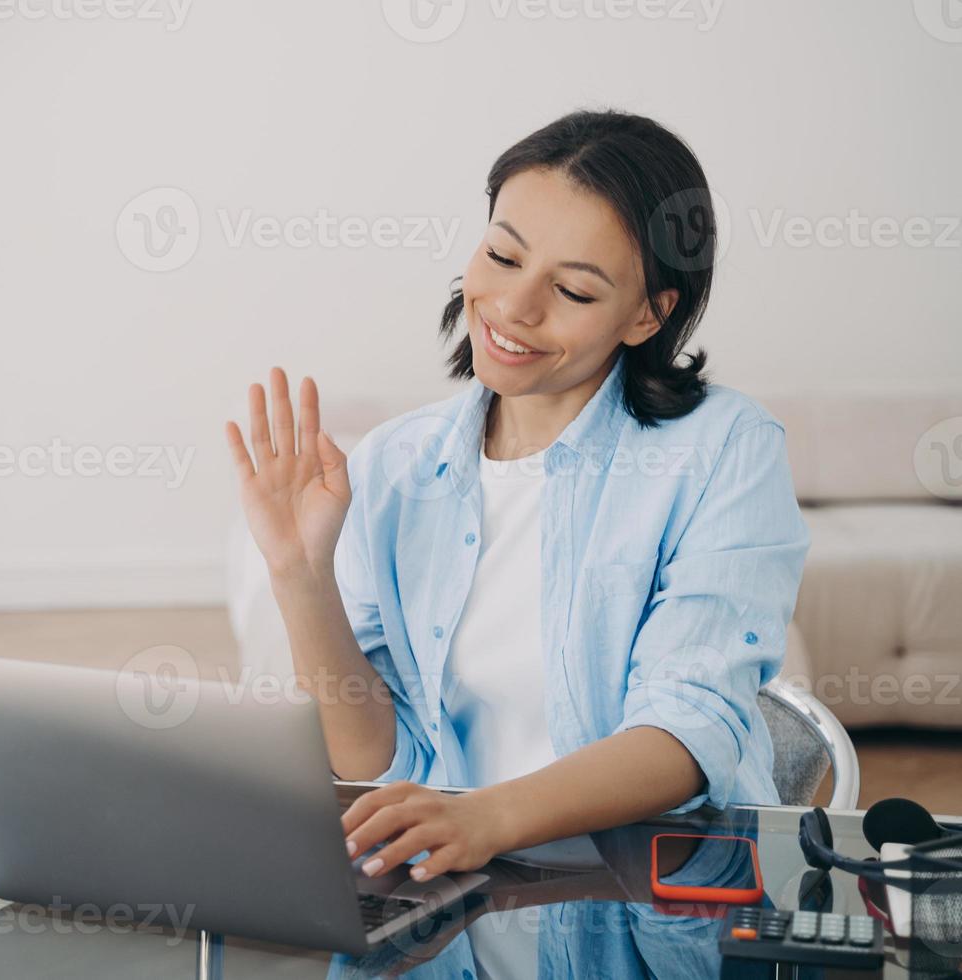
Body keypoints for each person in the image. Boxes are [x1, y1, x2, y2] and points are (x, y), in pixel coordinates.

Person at [224, 109, 810, 884]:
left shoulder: (726, 449)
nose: (513, 308)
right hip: (444, 904)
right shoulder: (397, 462)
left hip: (641, 903)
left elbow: (690, 726)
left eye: (571, 289)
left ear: (648, 313)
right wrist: (301, 576)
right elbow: (376, 761)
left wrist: (486, 818)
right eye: (502, 255)